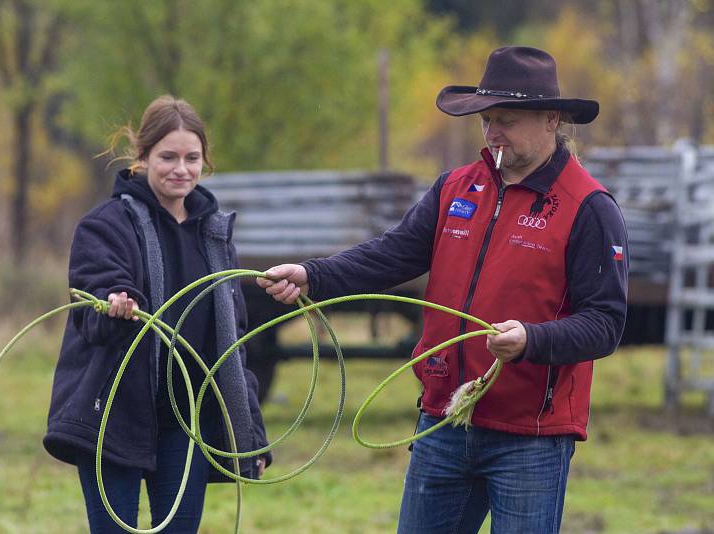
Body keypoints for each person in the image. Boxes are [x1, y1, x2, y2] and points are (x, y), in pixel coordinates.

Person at [257, 46, 628, 533]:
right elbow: (392, 254)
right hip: (444, 419)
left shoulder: (588, 207)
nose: (492, 132)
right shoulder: (456, 188)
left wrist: (531, 341)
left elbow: (605, 323)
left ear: (551, 119)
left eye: (506, 120)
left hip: (530, 438)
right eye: (486, 119)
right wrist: (314, 276)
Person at [44, 95, 271, 533]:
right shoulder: (104, 225)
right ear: (142, 156)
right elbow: (91, 299)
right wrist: (115, 302)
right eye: (167, 157)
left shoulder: (215, 235)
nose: (180, 169)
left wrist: (252, 435)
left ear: (205, 162)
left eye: (192, 158)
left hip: (185, 424)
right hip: (114, 415)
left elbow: (234, 345)